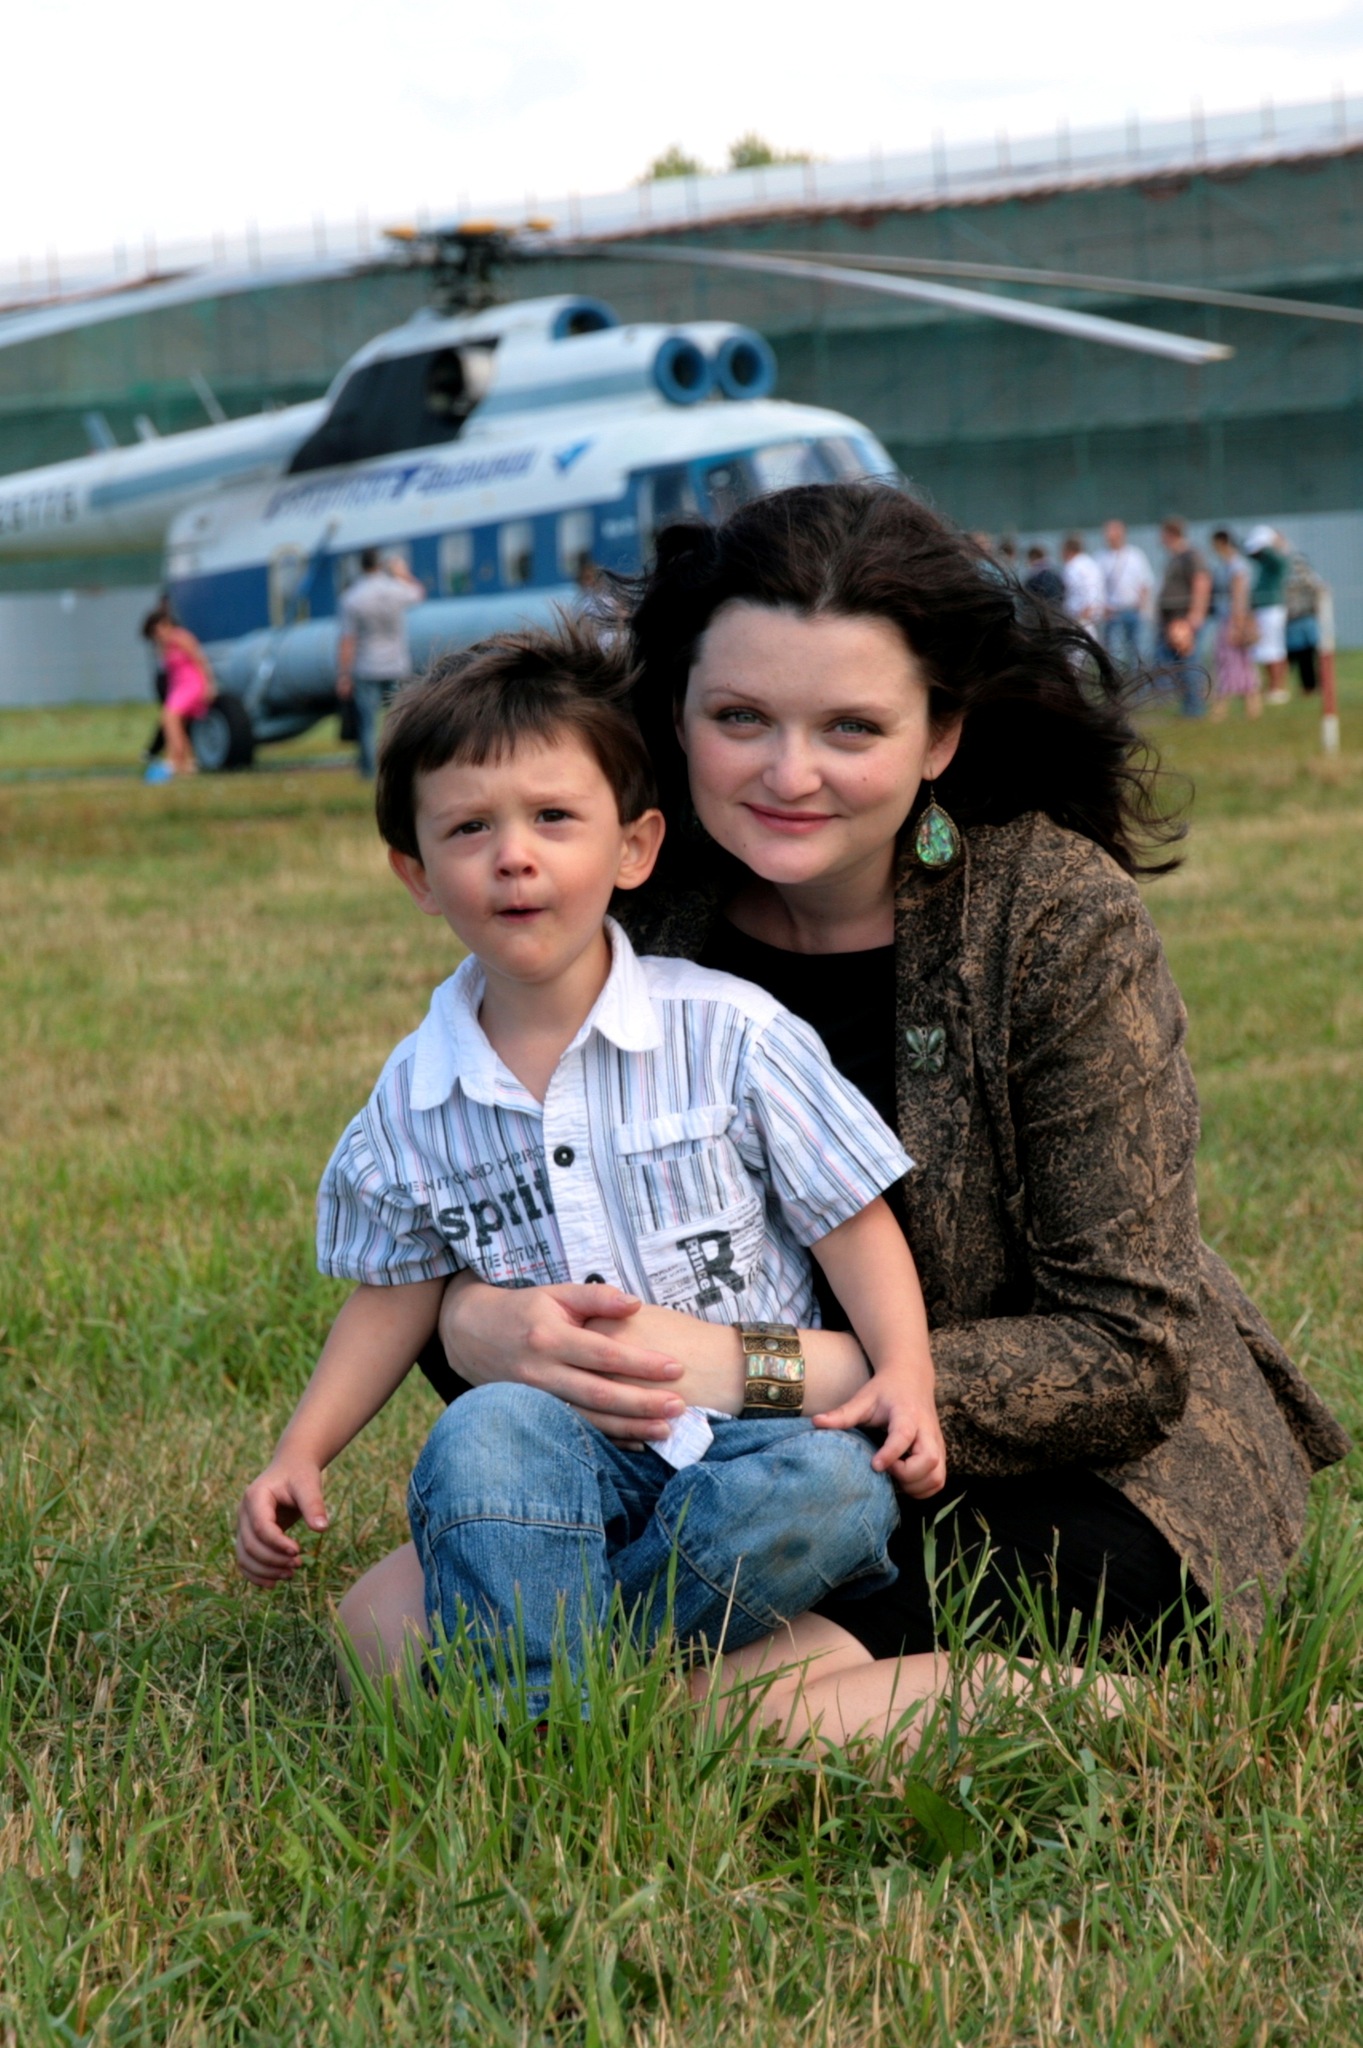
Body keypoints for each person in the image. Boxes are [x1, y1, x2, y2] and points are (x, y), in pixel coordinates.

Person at [362, 483, 1348, 1754]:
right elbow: (497, 1189)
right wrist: (472, 1320)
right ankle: (688, 1688)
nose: (790, 773)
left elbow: (1124, 1352)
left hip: (1048, 1471)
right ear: (676, 715)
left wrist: (754, 1368)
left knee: (690, 1692)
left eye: (851, 726)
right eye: (739, 718)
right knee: (377, 1620)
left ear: (939, 734)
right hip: (723, 1468)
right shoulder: (628, 897)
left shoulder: (1055, 916)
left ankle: (1106, 1712)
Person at [238, 625, 949, 1717]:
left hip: (754, 1443)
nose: (513, 856)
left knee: (836, 1487)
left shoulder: (729, 1032)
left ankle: (556, 1684)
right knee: (479, 1435)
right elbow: (394, 1292)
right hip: (559, 1448)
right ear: (416, 874)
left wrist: (904, 1370)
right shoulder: (414, 1098)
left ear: (633, 847)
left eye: (553, 818)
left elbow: (849, 1219)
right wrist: (302, 1448)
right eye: (469, 828)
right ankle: (554, 1693)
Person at [336, 548, 425, 777]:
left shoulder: (352, 597)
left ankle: (370, 772)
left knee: (368, 723)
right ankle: (401, 767)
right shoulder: (395, 589)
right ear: (380, 564)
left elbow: (348, 640)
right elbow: (419, 593)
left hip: (366, 666)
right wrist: (402, 573)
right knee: (398, 718)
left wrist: (344, 674)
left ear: (361, 565)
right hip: (396, 663)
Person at [139, 604, 216, 779]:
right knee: (178, 725)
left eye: (157, 630)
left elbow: (200, 660)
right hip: (178, 687)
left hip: (192, 684)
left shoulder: (181, 637)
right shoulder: (162, 647)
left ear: (165, 624)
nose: (157, 636)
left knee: (169, 718)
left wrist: (209, 685)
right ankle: (187, 763)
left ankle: (174, 759)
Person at [1155, 517, 1212, 718]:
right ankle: (1188, 706)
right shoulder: (1175, 557)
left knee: (1189, 663)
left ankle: (1195, 708)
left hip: (1183, 619)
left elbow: (1202, 582)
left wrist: (1196, 614)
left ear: (1171, 534)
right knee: (1178, 665)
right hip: (1172, 620)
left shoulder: (1190, 556)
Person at [1208, 530, 1260, 721]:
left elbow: (1240, 595)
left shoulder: (1236, 566)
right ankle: (1252, 708)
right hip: (1229, 619)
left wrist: (1237, 624)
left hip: (1232, 620)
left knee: (1229, 662)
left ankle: (1222, 709)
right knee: (1239, 663)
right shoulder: (1228, 565)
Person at [1096, 519, 1154, 672]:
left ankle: (1139, 684)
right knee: (1113, 654)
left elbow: (1145, 582)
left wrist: (1143, 605)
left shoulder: (1135, 555)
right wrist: (1102, 607)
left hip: (1133, 611)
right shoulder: (1101, 557)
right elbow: (1097, 586)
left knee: (1137, 652)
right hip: (1112, 613)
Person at [1242, 525, 1290, 706]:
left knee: (1274, 649)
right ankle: (1271, 687)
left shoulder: (1277, 560)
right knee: (1264, 649)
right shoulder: (1265, 563)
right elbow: (1248, 552)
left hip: (1272, 610)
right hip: (1264, 609)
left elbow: (1274, 557)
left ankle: (1277, 688)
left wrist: (1271, 542)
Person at [1284, 543, 1326, 696]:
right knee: (1298, 657)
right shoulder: (1308, 578)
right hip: (1298, 622)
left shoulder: (1309, 578)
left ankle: (1309, 687)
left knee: (1306, 657)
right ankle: (1284, 687)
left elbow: (1321, 593)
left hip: (1304, 621)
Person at [1060, 534, 1104, 631]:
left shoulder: (1072, 566)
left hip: (1079, 616)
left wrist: (1086, 610)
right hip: (1093, 616)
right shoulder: (1091, 563)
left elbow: (1077, 589)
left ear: (1068, 550)